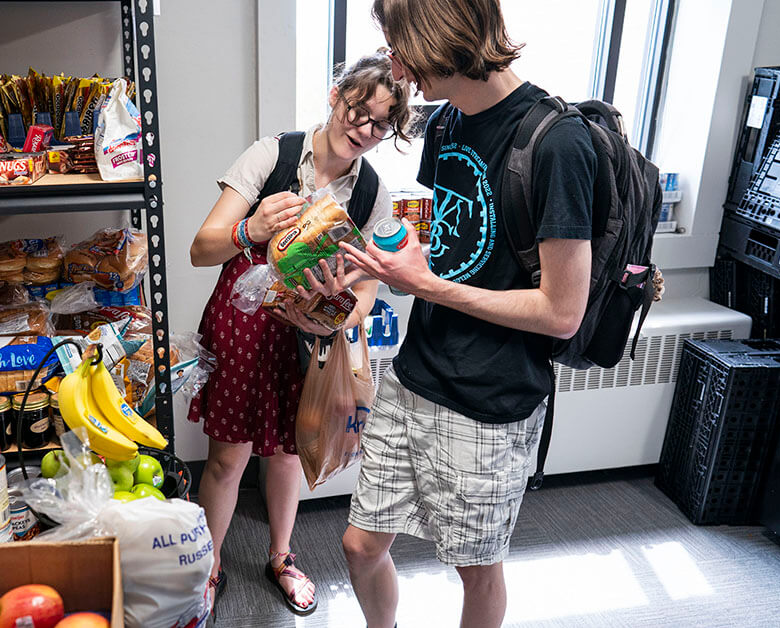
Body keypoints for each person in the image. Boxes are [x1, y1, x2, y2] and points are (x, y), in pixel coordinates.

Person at [324, 2, 597, 627]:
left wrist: (426, 287)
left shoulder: (557, 142)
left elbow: (561, 313)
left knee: (475, 570)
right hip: (416, 372)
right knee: (359, 546)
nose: (395, 65)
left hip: (490, 399)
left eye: (399, 45)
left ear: (440, 37)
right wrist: (363, 264)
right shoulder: (444, 125)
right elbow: (425, 244)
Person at [188, 51, 413, 618]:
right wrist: (252, 227)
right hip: (243, 322)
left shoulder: (369, 195)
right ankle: (212, 562)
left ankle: (281, 555)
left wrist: (343, 312)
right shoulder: (276, 154)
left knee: (289, 452)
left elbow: (366, 291)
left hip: (307, 333)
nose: (363, 130)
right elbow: (201, 248)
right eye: (358, 110)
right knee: (228, 459)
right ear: (335, 97)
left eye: (380, 124)